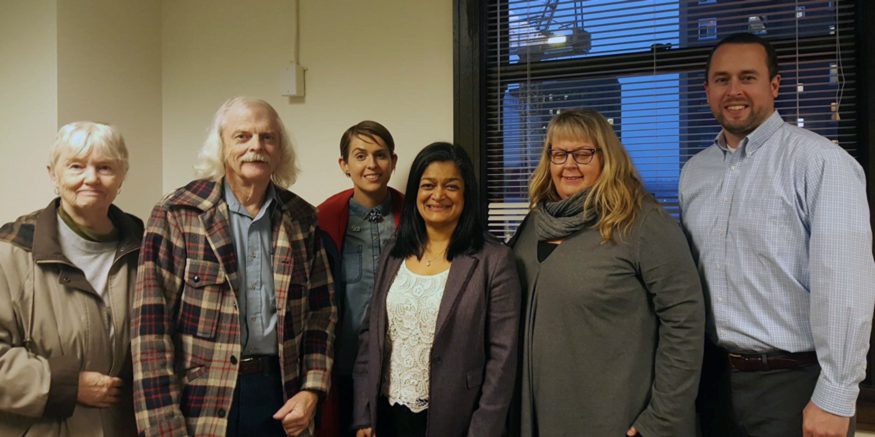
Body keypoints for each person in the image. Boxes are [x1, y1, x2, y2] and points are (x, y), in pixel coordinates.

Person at [679, 32, 875, 437]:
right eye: (722, 79)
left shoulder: (821, 162)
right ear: (707, 90)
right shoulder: (694, 172)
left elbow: (845, 286)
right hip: (711, 382)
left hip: (795, 384)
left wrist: (836, 395)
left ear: (774, 85)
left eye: (748, 77)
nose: (734, 90)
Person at [131, 96, 336, 437]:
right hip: (199, 401)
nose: (256, 146)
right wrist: (163, 426)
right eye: (242, 136)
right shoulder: (177, 214)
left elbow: (321, 315)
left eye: (267, 137)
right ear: (221, 145)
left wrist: (312, 390)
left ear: (280, 149)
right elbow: (150, 329)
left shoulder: (302, 219)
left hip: (281, 396)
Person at [510, 108, 704, 436]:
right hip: (540, 415)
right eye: (559, 153)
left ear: (607, 157)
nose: (569, 164)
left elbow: (685, 323)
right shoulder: (535, 224)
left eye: (583, 153)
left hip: (615, 419)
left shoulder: (643, 224)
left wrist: (661, 419)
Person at [352, 142, 521, 437]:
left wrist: (484, 431)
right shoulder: (394, 252)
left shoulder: (494, 260)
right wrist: (364, 414)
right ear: (415, 192)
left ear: (466, 193)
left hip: (458, 418)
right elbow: (371, 336)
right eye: (428, 185)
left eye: (451, 186)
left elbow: (502, 361)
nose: (438, 195)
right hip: (386, 415)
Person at [0, 121, 142, 436]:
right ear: (53, 174)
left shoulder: (146, 250)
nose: (91, 178)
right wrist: (64, 385)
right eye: (76, 166)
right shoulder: (10, 251)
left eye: (105, 167)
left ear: (122, 176)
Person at [316, 121, 403, 437]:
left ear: (393, 161)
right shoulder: (323, 220)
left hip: (398, 370)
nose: (372, 165)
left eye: (380, 155)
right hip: (343, 366)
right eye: (361, 155)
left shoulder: (413, 216)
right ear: (344, 164)